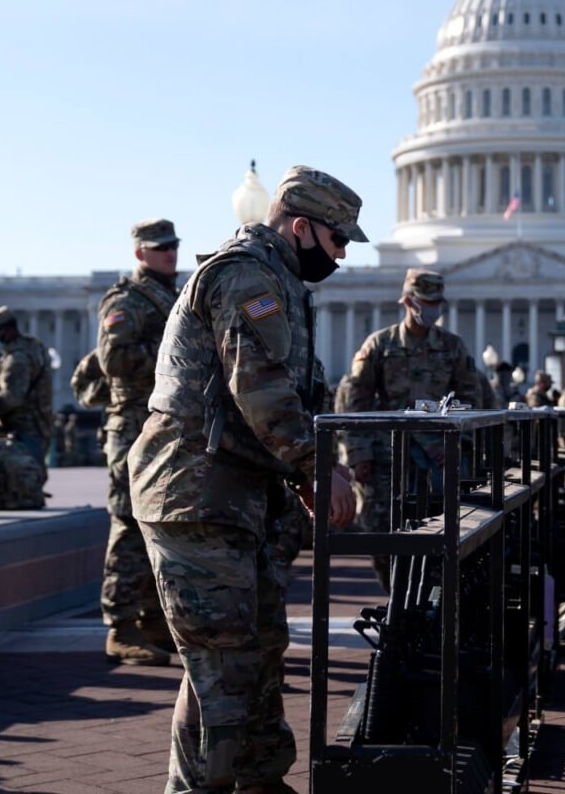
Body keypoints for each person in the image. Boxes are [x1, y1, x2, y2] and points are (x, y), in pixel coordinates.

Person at [128, 164, 360, 794]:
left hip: (231, 493)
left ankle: (258, 779)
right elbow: (259, 390)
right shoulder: (246, 275)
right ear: (303, 227)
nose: (341, 256)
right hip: (193, 491)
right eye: (338, 241)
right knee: (222, 661)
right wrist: (319, 469)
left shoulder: (280, 279)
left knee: (257, 646)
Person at [342, 269, 482, 583]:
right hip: (386, 457)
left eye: (437, 302)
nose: (432, 309)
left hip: (436, 458)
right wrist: (358, 454)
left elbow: (471, 400)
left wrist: (459, 443)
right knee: (379, 534)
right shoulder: (380, 344)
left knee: (438, 535)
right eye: (426, 302)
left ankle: (425, 609)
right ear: (408, 301)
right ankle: (394, 598)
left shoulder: (453, 347)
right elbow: (356, 402)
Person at [96, 217, 181, 668]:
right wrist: (172, 352)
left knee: (158, 523)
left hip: (164, 426)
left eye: (173, 244)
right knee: (129, 524)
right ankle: (119, 627)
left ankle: (151, 618)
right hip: (131, 425)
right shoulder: (126, 299)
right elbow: (114, 361)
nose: (169, 252)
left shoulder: (172, 295)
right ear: (139, 253)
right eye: (159, 246)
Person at [0, 306, 53, 469]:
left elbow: (12, 398)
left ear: (6, 331)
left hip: (22, 430)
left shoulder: (16, 359)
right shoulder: (34, 346)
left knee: (23, 483)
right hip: (39, 426)